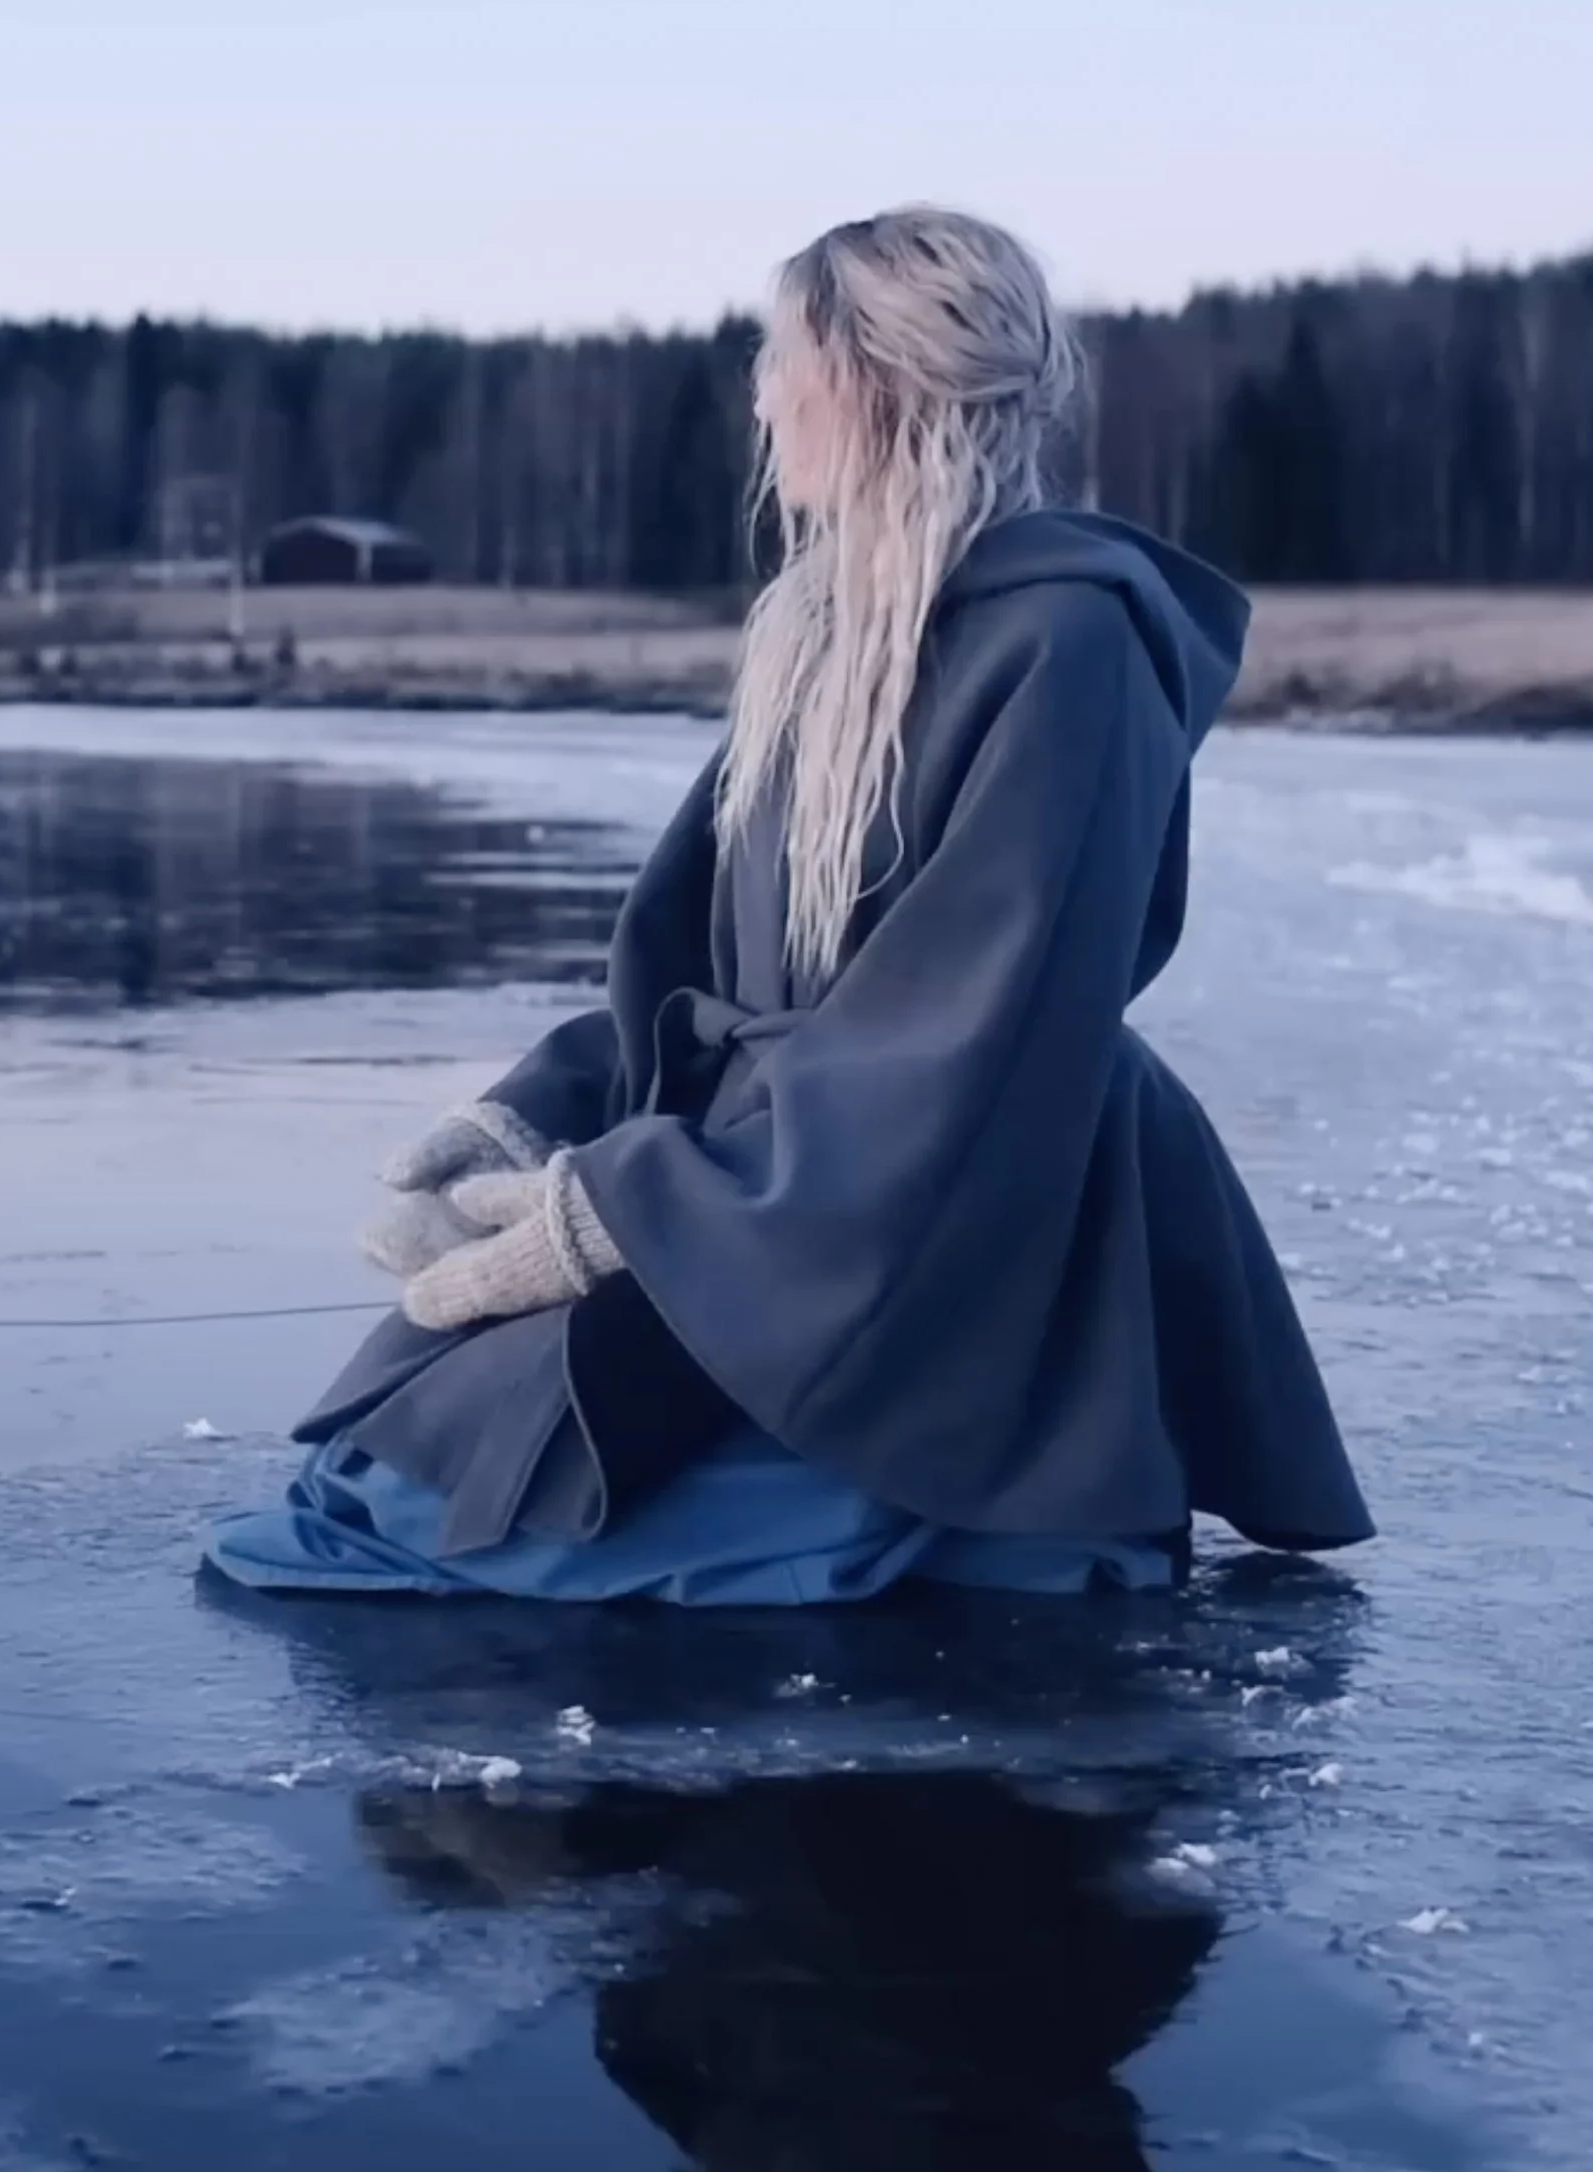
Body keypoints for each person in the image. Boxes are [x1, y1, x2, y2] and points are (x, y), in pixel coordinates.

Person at [206, 208, 1374, 1603]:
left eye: (780, 357)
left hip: (954, 1227)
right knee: (378, 1478)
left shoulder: (1071, 647)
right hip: (786, 1192)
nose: (759, 396)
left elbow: (963, 1050)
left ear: (874, 379)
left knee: (439, 1534)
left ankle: (1010, 1491)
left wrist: (618, 1216)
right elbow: (705, 975)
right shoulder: (824, 632)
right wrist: (545, 1113)